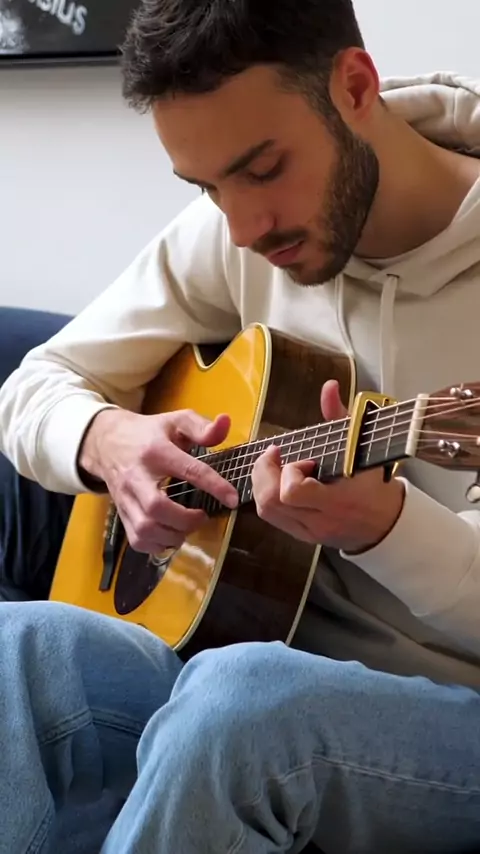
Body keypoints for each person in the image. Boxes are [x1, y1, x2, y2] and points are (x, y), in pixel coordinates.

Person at [1, 0, 480, 850]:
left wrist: (385, 528)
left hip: (446, 717)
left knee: (242, 704)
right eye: (206, 189)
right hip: (251, 657)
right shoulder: (240, 236)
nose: (242, 229)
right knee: (23, 643)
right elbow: (35, 385)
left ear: (355, 87)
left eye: (263, 169)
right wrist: (109, 440)